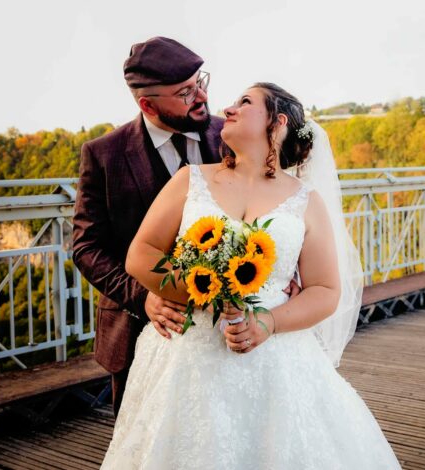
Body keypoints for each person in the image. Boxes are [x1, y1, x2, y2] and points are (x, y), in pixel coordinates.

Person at [101, 83, 401, 469]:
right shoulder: (189, 180)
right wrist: (198, 290)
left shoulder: (306, 201)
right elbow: (140, 255)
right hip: (185, 357)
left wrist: (268, 322)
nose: (227, 108)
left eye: (245, 102)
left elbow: (326, 290)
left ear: (276, 123)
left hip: (275, 362)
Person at [73, 37, 298, 416]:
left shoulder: (232, 135)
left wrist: (283, 271)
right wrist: (142, 295)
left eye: (201, 81)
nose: (202, 96)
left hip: (235, 334)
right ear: (148, 104)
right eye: (186, 92)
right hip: (141, 329)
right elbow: (85, 247)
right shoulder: (103, 155)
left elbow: (279, 205)